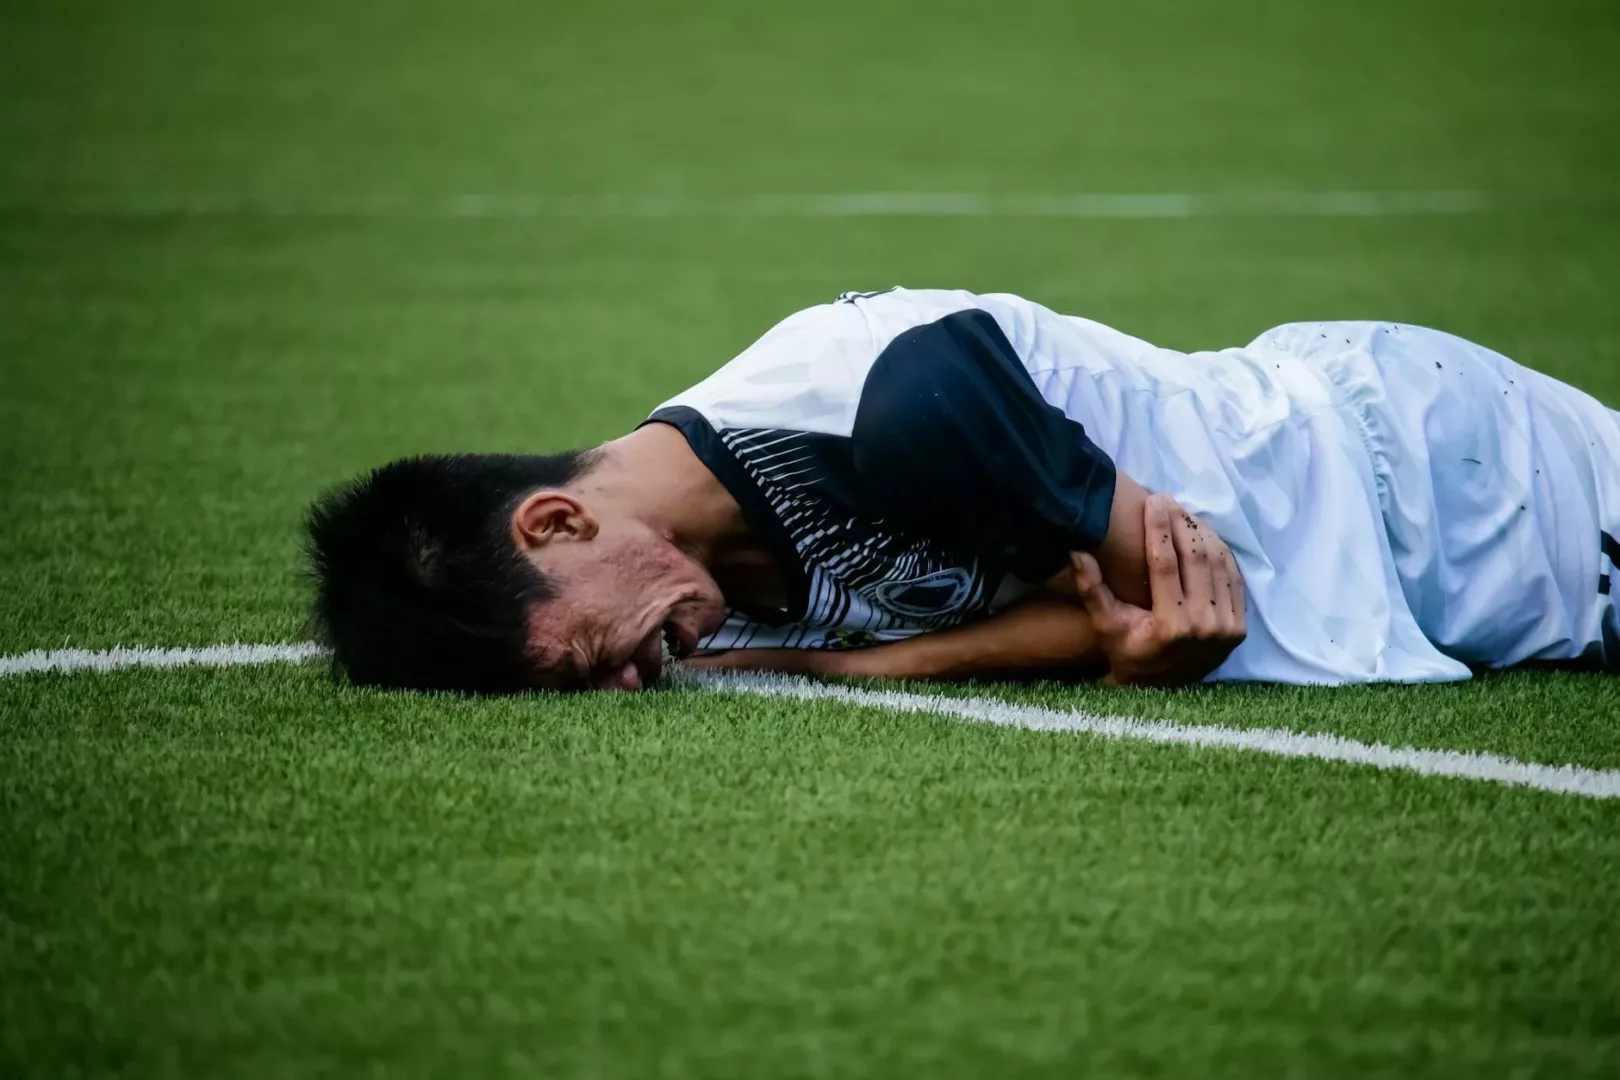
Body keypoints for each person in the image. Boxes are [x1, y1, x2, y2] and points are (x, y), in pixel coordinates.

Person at [306, 288, 1620, 693]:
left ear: (557, 522)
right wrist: (853, 673)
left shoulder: (878, 391)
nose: (627, 685)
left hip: (1423, 463)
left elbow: (1170, 592)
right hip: (1420, 595)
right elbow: (1106, 629)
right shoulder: (699, 608)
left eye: (583, 659)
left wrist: (1113, 634)